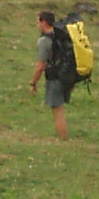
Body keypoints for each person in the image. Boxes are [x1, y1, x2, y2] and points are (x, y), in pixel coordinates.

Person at [27, 9, 73, 141]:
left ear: (44, 23)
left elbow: (40, 66)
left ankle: (63, 138)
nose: (37, 25)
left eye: (38, 22)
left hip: (55, 77)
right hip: (67, 76)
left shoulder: (44, 41)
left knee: (57, 110)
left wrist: (33, 83)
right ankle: (63, 137)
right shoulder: (61, 36)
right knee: (60, 108)